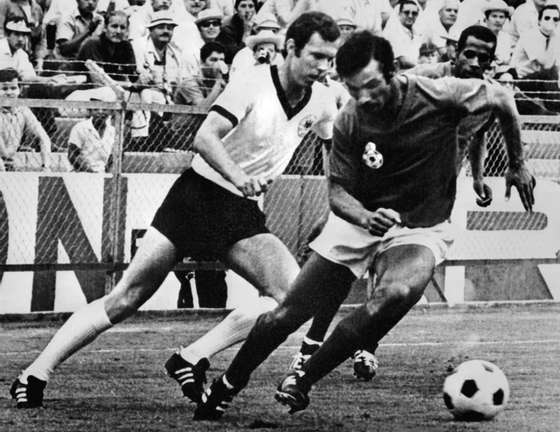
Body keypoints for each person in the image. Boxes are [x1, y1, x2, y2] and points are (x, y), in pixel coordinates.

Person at [193, 30, 536, 420]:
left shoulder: (438, 94)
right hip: (358, 220)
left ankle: (302, 379)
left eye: (371, 86)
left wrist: (518, 163)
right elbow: (337, 191)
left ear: (392, 72)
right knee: (285, 315)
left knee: (396, 291)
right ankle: (227, 384)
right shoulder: (350, 120)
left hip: (419, 227)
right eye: (355, 90)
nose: (364, 98)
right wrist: (363, 216)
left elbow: (503, 98)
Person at [9, 11, 342, 410]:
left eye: (329, 59)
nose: (323, 67)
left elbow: (331, 148)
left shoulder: (322, 99)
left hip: (239, 210)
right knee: (125, 298)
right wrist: (238, 175)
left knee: (291, 297)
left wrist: (339, 198)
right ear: (290, 49)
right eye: (316, 56)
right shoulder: (251, 84)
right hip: (197, 197)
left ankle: (190, 357)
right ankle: (33, 374)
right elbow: (204, 138)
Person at [288, 24, 500, 383]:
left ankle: (367, 346)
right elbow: (378, 103)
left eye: (484, 57)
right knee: (341, 266)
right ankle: (311, 343)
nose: (475, 61)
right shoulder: (427, 81)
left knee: (398, 282)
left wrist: (478, 177)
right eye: (469, 52)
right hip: (381, 186)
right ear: (455, 51)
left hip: (426, 197)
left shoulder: (482, 93)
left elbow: (477, 132)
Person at [0, 67, 51, 171]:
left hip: (9, 163)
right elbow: (3, 152)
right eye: (4, 89)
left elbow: (43, 137)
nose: (9, 93)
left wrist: (46, 166)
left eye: (14, 88)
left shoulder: (23, 110)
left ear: (20, 89)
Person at [67, 95, 116, 173]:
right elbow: (72, 156)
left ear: (110, 112)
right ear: (90, 111)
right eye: (96, 109)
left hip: (102, 173)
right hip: (81, 173)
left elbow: (113, 157)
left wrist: (107, 173)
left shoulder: (112, 131)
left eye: (104, 109)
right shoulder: (80, 128)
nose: (100, 112)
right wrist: (90, 172)